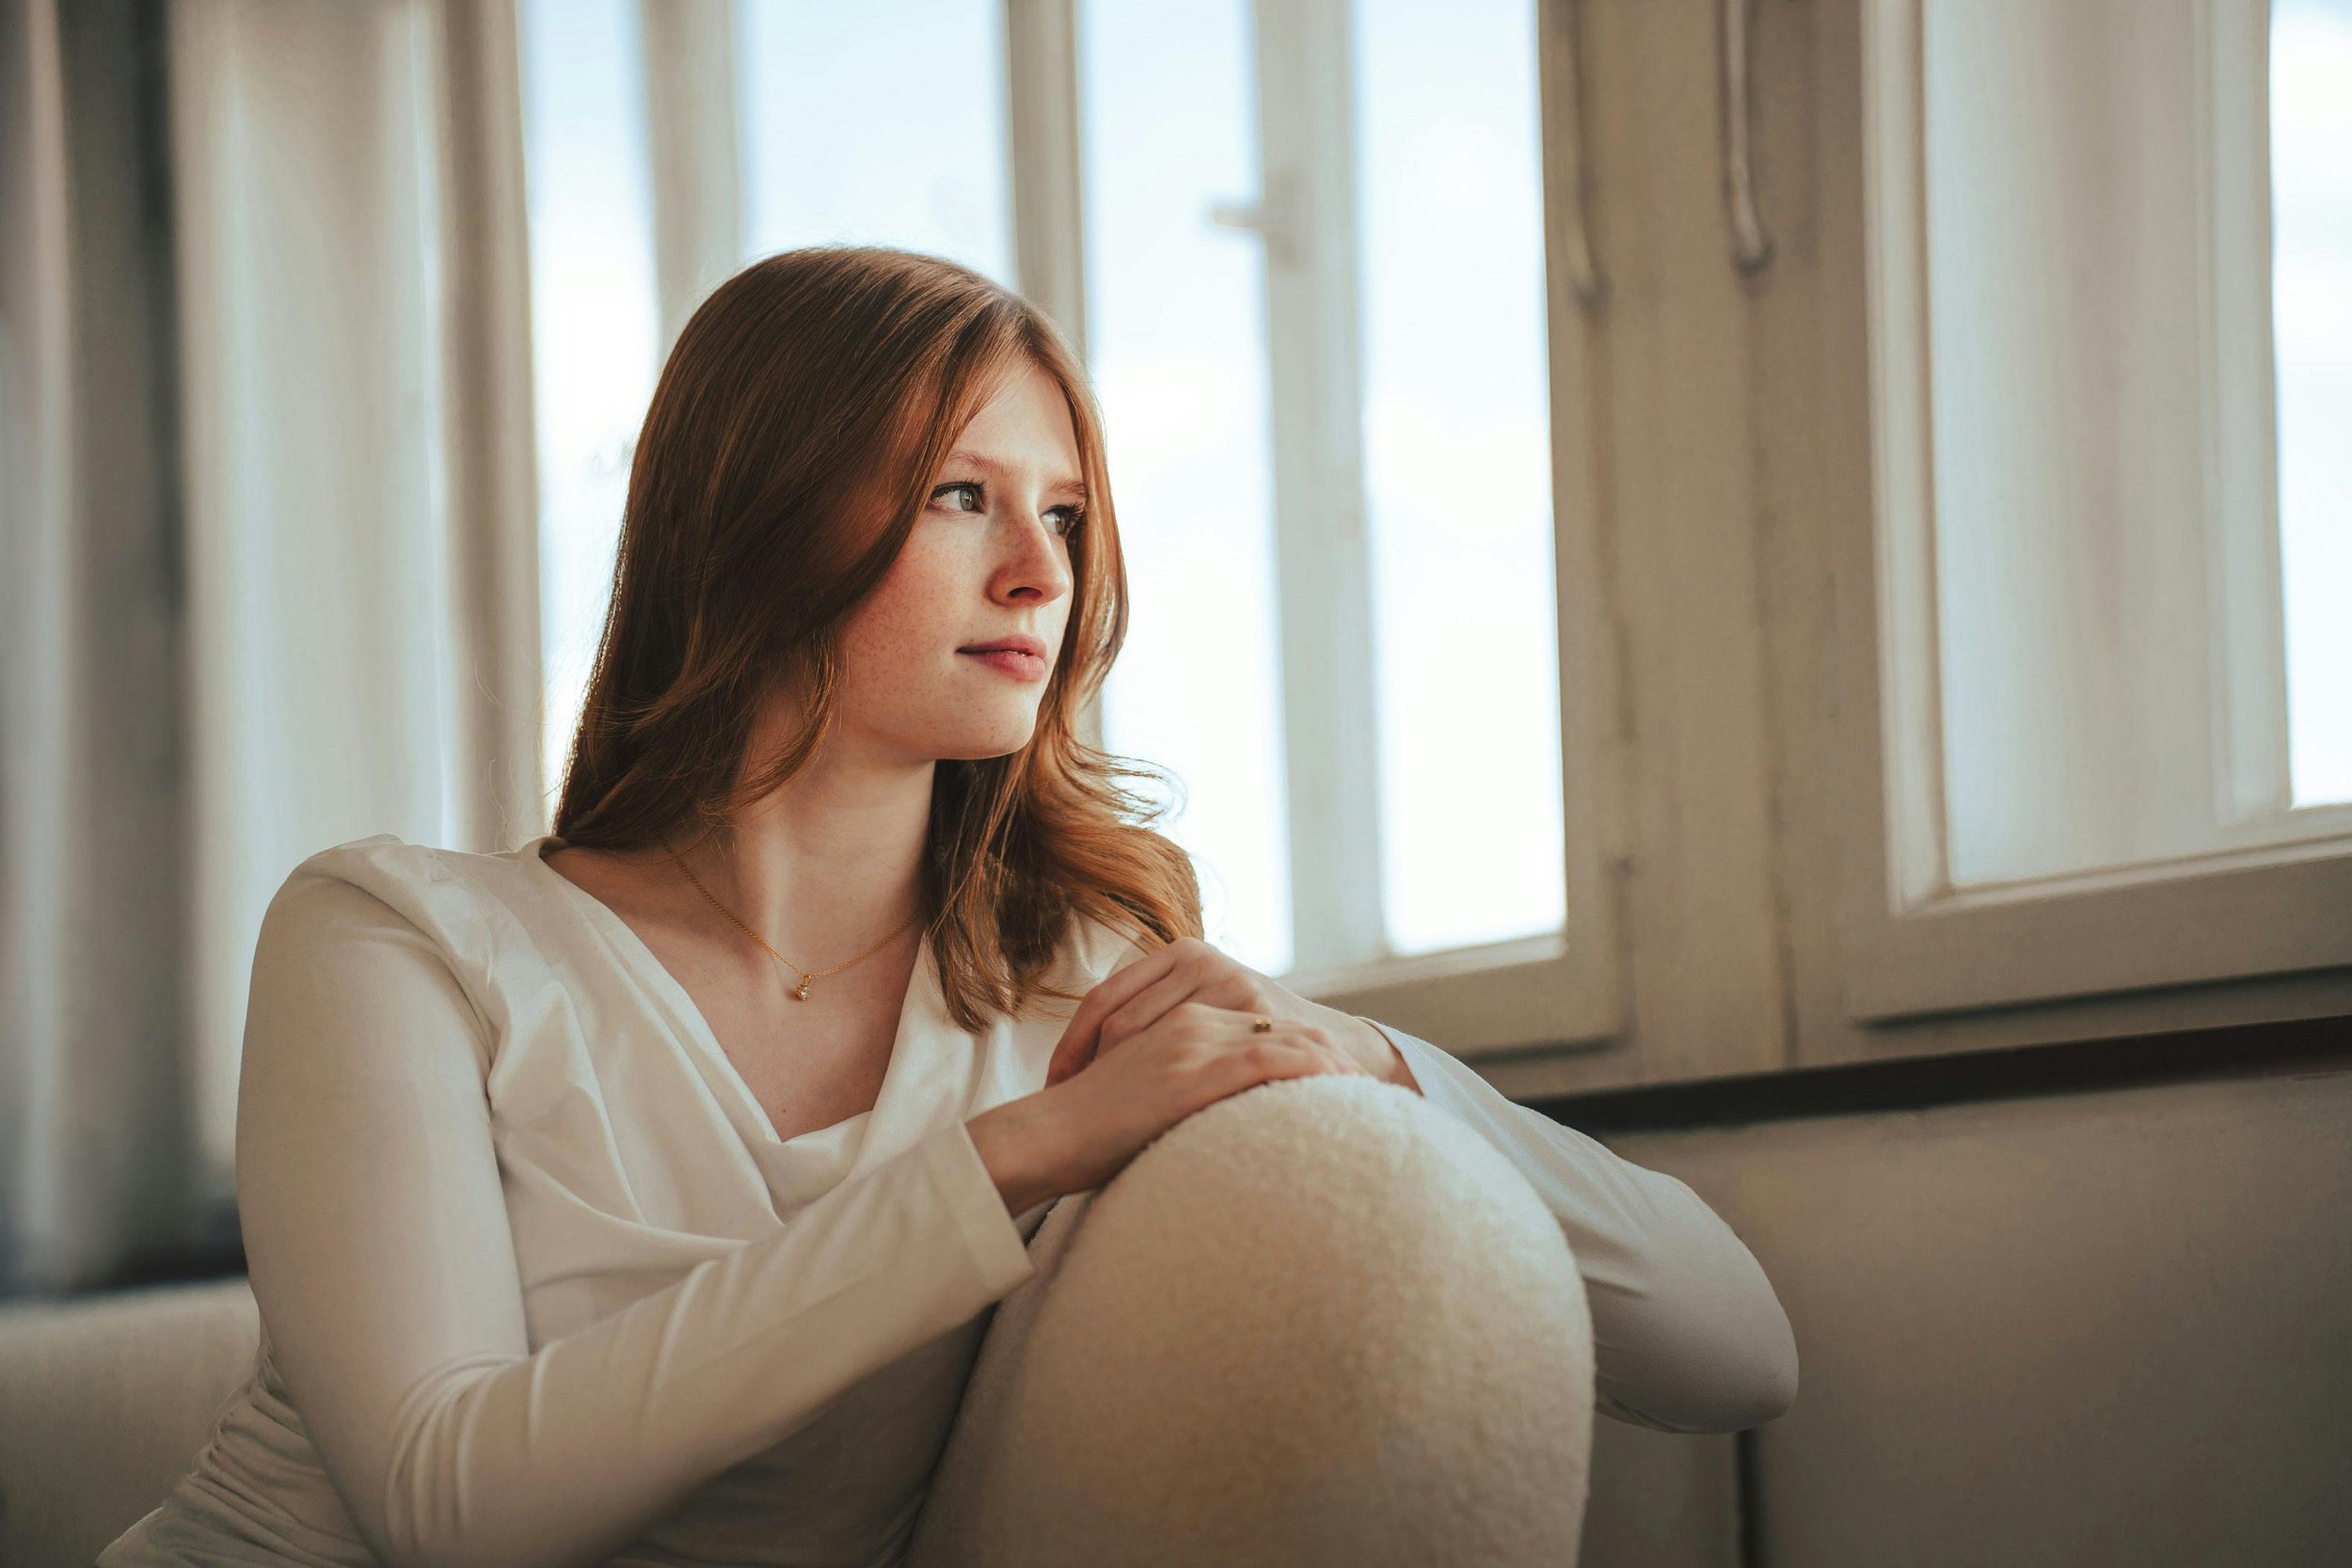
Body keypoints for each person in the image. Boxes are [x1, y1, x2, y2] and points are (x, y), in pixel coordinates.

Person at [101, 246, 1795, 1568]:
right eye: (961, 495)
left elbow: (1734, 1347)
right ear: (759, 514)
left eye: (1064, 515)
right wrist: (1005, 1166)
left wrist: (1357, 1056)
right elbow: (446, 1507)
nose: (1042, 575)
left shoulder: (1074, 1002)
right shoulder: (393, 939)